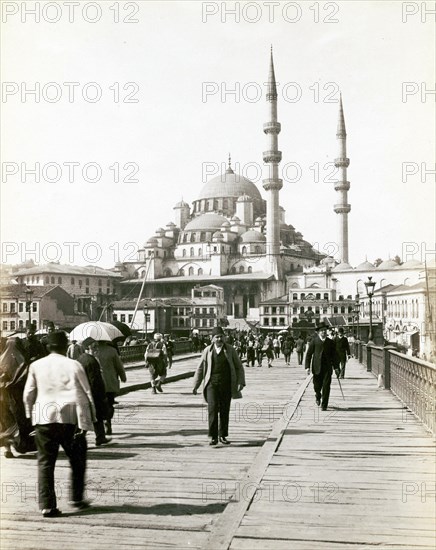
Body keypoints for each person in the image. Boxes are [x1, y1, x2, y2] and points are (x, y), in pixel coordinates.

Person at [23, 331, 96, 517]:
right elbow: (87, 393)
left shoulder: (36, 365)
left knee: (45, 462)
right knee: (77, 459)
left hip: (43, 417)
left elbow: (28, 394)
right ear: (65, 347)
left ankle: (47, 505)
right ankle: (76, 497)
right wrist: (89, 420)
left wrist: (30, 417)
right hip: (70, 417)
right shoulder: (74, 364)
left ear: (48, 347)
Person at [192, 326, 245, 446]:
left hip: (226, 384)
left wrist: (240, 382)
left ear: (224, 337)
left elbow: (239, 367)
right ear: (212, 338)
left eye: (221, 336)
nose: (219, 339)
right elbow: (200, 368)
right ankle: (213, 436)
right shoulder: (207, 351)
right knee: (212, 409)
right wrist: (195, 385)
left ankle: (223, 435)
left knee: (224, 410)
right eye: (217, 337)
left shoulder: (230, 350)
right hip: (212, 384)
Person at [0, 338, 35, 458]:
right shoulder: (20, 359)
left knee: (5, 421)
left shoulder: (1, 359)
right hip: (15, 396)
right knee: (18, 420)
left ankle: (7, 449)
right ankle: (19, 444)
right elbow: (24, 378)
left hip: (2, 396)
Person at [78, 338, 111, 446]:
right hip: (93, 393)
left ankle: (100, 437)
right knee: (95, 416)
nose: (97, 349)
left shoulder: (80, 359)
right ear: (87, 348)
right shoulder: (91, 361)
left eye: (97, 346)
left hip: (83, 391)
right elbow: (94, 380)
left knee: (95, 416)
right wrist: (101, 394)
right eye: (94, 347)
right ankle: (80, 438)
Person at [305, 323, 339, 411]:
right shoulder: (314, 341)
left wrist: (336, 367)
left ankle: (324, 405)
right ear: (318, 332)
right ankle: (318, 395)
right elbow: (308, 355)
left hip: (327, 368)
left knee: (326, 386)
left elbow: (334, 356)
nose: (323, 332)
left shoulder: (330, 342)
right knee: (317, 386)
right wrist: (307, 367)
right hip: (316, 367)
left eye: (324, 330)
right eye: (321, 330)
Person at [95, 341, 127, 436]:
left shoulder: (92, 351)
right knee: (109, 403)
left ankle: (101, 425)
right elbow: (119, 365)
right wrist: (123, 376)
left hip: (97, 383)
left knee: (99, 405)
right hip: (110, 382)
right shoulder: (112, 351)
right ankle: (107, 421)